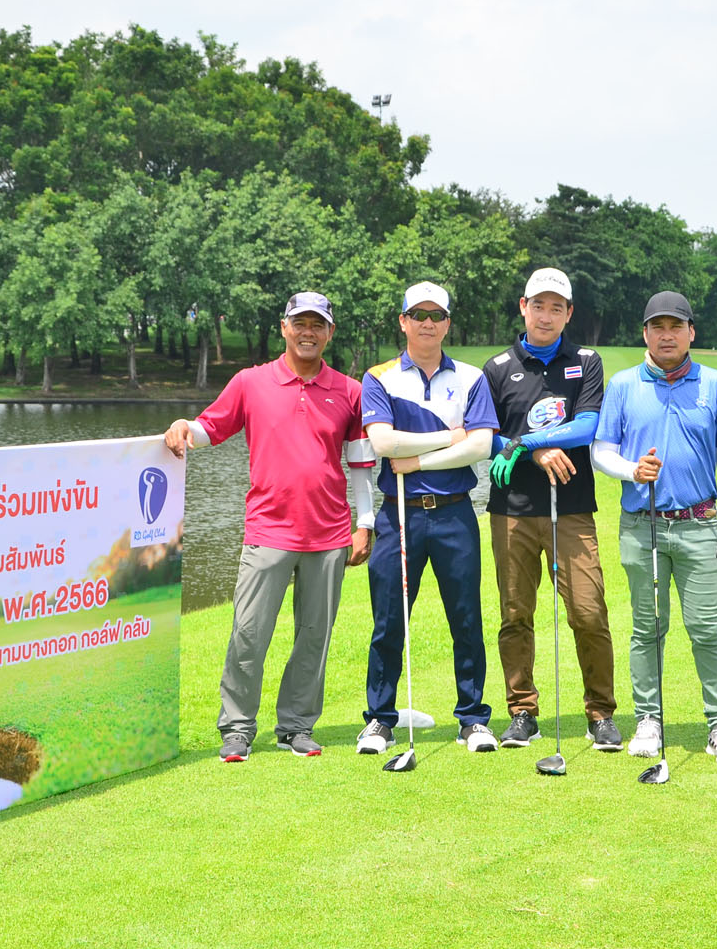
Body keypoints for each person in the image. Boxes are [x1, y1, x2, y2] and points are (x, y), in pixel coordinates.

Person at [164, 292, 376, 762]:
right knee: (248, 633)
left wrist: (365, 523)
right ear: (284, 327)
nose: (308, 332)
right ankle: (237, 728)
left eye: (317, 325)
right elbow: (210, 428)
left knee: (314, 637)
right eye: (300, 323)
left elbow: (361, 464)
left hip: (329, 534)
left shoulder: (350, 390)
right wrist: (183, 425)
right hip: (268, 530)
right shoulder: (250, 382)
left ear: (329, 333)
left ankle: (296, 726)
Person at [591, 291, 717, 766]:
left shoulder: (715, 385)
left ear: (690, 333)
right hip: (642, 526)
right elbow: (601, 450)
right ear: (644, 333)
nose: (666, 335)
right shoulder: (623, 385)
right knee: (647, 627)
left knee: (706, 628)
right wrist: (631, 470)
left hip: (699, 523)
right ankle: (648, 719)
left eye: (675, 326)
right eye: (657, 327)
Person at [357, 280, 501, 755]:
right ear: (403, 321)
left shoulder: (471, 377)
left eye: (436, 315)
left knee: (466, 618)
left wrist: (417, 460)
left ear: (447, 323)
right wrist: (449, 437)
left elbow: (480, 446)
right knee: (389, 620)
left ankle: (473, 718)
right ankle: (380, 719)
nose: (427, 322)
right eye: (417, 314)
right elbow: (383, 443)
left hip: (455, 513)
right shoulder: (379, 377)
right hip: (399, 515)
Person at [482, 267, 621, 751]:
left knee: (588, 611)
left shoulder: (585, 361)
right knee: (515, 612)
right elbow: (487, 436)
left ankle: (601, 713)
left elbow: (587, 426)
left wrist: (527, 442)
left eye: (556, 307)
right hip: (512, 510)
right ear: (523, 307)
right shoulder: (498, 367)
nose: (546, 315)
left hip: (572, 508)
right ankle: (522, 711)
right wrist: (531, 451)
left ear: (569, 313)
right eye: (538, 305)